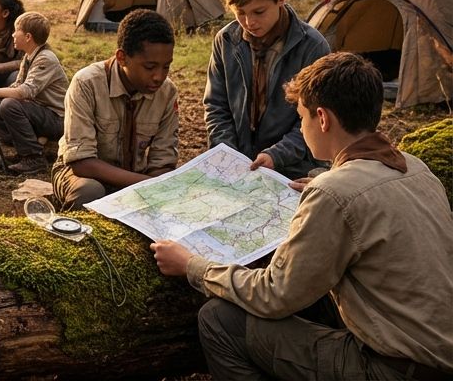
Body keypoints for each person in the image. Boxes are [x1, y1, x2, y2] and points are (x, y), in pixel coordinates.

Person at [153, 52, 453, 380]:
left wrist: (192, 266)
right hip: (436, 354)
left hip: (390, 368)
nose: (302, 127)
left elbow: (274, 295)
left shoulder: (334, 193)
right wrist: (328, 185)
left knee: (220, 320)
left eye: (301, 118)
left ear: (322, 118)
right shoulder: (415, 169)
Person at [205, 0, 329, 180]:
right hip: (236, 167)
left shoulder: (312, 47)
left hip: (293, 168)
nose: (249, 22)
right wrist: (227, 153)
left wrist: (277, 155)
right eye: (240, 13)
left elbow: (316, 118)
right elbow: (216, 106)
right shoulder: (226, 41)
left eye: (259, 12)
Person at [51, 9, 179, 210]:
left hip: (135, 176)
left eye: (166, 67)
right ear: (122, 58)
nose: (159, 77)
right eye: (149, 67)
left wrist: (157, 186)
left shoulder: (167, 93)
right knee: (90, 191)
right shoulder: (87, 83)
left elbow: (162, 164)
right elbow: (82, 163)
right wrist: (146, 185)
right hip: (83, 175)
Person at [0, 11, 68, 174]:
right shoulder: (28, 57)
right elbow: (16, 85)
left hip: (57, 119)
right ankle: (21, 147)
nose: (13, 34)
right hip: (38, 113)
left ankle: (34, 158)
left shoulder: (45, 58)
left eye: (16, 30)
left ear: (28, 37)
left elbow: (24, 92)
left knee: (9, 105)